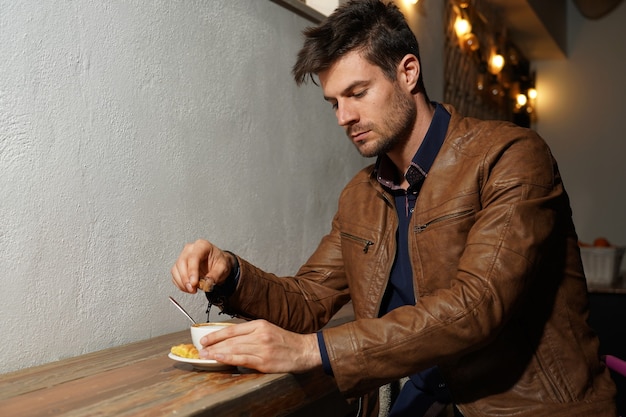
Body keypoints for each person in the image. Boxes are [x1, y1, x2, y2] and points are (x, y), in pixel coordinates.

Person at [170, 1, 617, 416]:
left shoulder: (511, 156)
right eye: (334, 102)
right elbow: (308, 302)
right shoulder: (361, 196)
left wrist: (312, 351)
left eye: (358, 92)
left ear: (407, 72)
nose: (343, 116)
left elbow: (477, 307)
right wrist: (230, 273)